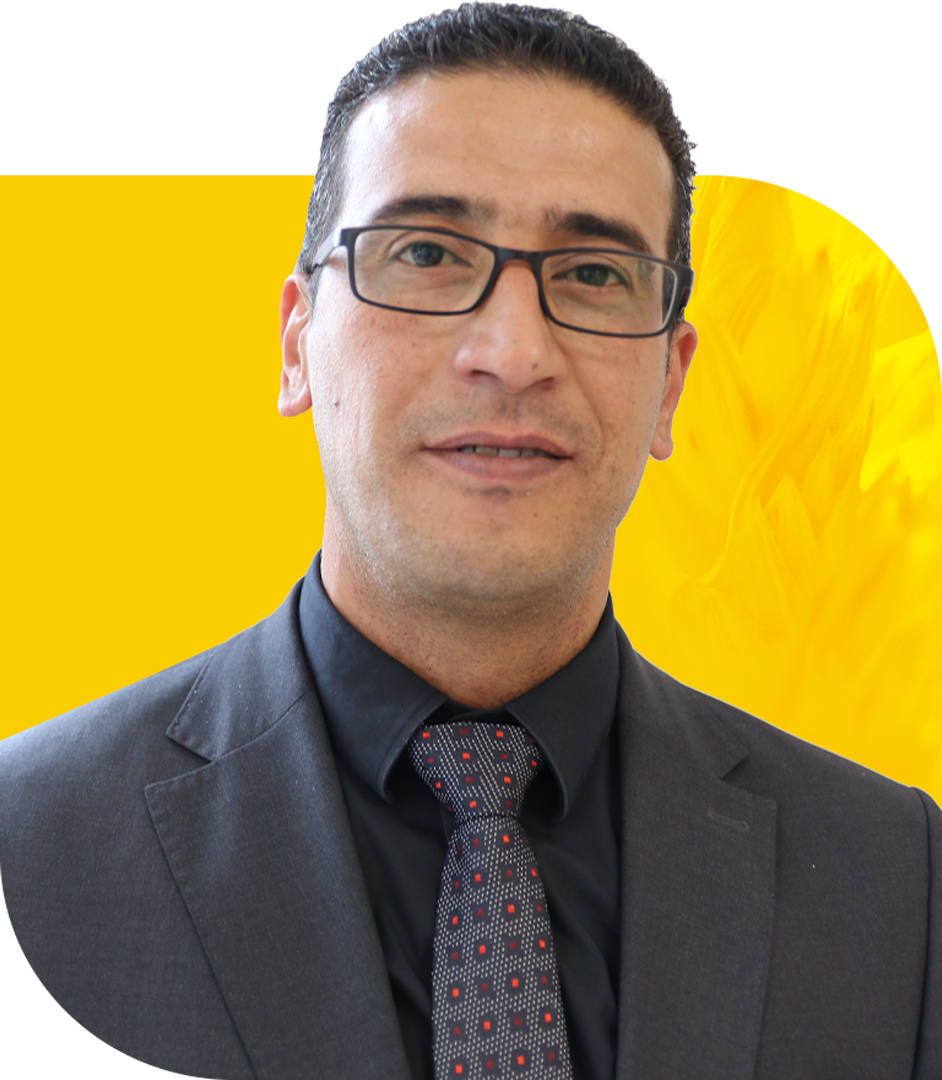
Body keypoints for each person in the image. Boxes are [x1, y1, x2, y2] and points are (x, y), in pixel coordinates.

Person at [1, 5, 938, 1078]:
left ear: (670, 385)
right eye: (428, 253)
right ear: (297, 342)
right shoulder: (26, 854)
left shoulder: (899, 884)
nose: (513, 351)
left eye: (593, 273)